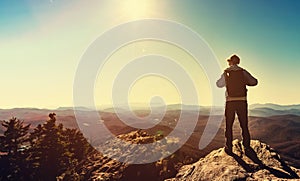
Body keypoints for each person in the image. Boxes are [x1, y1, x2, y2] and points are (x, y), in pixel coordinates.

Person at [216, 54, 258, 154]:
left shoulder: (226, 72)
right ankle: (246, 146)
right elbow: (254, 82)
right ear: (238, 62)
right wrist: (245, 82)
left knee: (229, 125)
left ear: (230, 62)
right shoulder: (242, 71)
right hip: (242, 101)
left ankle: (229, 147)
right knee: (244, 124)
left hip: (230, 101)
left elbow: (219, 84)